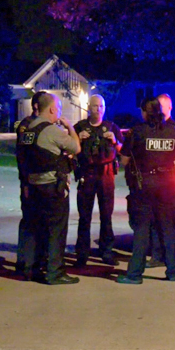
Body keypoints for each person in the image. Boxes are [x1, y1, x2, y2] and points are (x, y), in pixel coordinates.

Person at [117, 95, 175, 284]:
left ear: (145, 112)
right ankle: (173, 272)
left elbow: (124, 160)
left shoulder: (137, 132)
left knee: (142, 230)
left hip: (144, 185)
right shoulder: (173, 131)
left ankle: (134, 275)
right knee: (167, 227)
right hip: (168, 184)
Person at [23, 93, 81, 285]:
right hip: (52, 187)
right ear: (52, 109)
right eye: (59, 108)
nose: (60, 112)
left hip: (34, 186)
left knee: (37, 229)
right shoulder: (51, 131)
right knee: (57, 230)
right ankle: (55, 272)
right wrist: (70, 128)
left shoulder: (29, 130)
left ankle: (33, 268)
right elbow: (75, 147)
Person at [72, 94, 123, 267]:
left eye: (101, 106)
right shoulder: (79, 127)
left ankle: (106, 251)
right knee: (84, 217)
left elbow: (122, 150)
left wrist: (114, 140)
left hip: (106, 175)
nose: (98, 109)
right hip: (87, 174)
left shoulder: (112, 127)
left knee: (106, 216)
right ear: (89, 107)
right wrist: (78, 139)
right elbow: (70, 150)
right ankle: (82, 254)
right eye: (95, 106)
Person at [145, 93, 175, 270]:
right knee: (155, 220)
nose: (158, 111)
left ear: (170, 108)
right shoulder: (151, 128)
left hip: (173, 181)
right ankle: (157, 256)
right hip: (156, 181)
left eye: (161, 107)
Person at [15, 91, 47, 277]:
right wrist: (25, 182)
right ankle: (26, 264)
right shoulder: (26, 127)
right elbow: (23, 157)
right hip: (29, 182)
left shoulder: (41, 125)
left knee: (40, 222)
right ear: (36, 107)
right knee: (30, 222)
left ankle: (36, 261)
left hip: (38, 182)